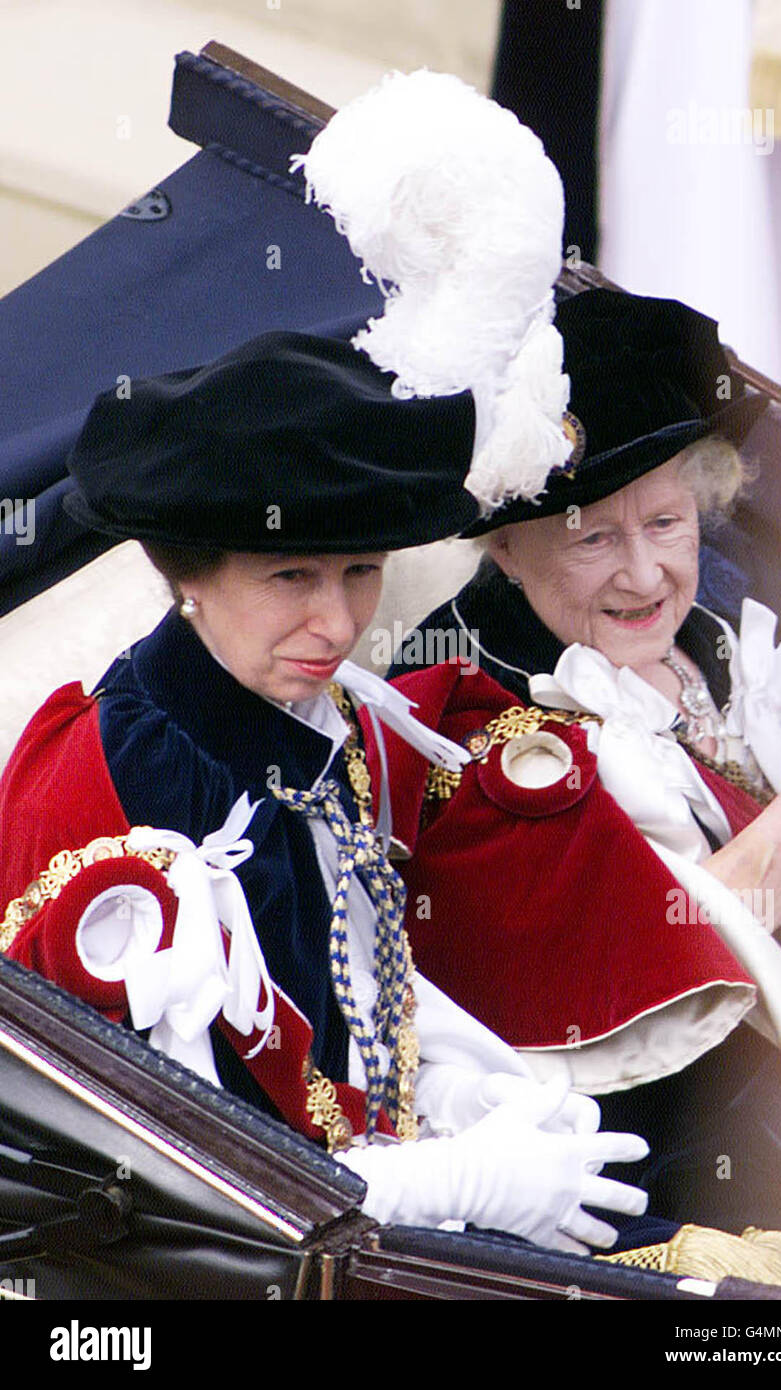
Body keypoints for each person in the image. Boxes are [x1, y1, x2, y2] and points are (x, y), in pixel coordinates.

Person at [0, 328, 657, 1253]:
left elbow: (354, 996)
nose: (341, 621)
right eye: (290, 576)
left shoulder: (320, 719)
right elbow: (165, 1177)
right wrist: (447, 1181)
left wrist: (454, 1094)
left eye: (361, 571)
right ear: (187, 575)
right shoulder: (109, 786)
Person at [369, 288, 781, 1270]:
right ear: (504, 544)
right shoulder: (459, 721)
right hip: (681, 1179)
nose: (642, 575)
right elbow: (670, 941)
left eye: (666, 521)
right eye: (592, 537)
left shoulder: (720, 641)